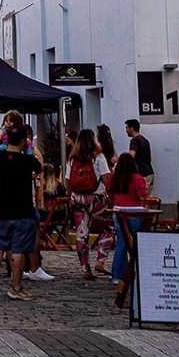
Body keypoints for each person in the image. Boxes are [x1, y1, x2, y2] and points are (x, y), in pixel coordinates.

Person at [0, 125, 42, 300]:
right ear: (24, 141)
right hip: (22, 210)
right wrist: (29, 148)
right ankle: (15, 287)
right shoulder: (27, 160)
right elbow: (39, 166)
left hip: (1, 209)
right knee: (18, 249)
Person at [66, 129, 113, 280]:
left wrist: (70, 196)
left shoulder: (72, 159)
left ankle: (85, 268)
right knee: (108, 228)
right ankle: (101, 261)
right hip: (95, 199)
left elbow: (68, 180)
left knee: (82, 233)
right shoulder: (98, 157)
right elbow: (106, 179)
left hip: (77, 199)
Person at [108, 153, 147, 285]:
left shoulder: (115, 179)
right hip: (134, 212)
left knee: (122, 243)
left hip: (118, 212)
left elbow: (110, 195)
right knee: (135, 243)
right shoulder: (137, 179)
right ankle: (136, 272)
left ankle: (117, 275)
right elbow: (142, 195)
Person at [124, 119, 154, 195]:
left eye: (127, 128)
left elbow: (130, 157)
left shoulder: (134, 141)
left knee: (140, 199)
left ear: (132, 128)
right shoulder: (145, 140)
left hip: (142, 175)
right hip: (150, 173)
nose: (126, 130)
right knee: (148, 200)